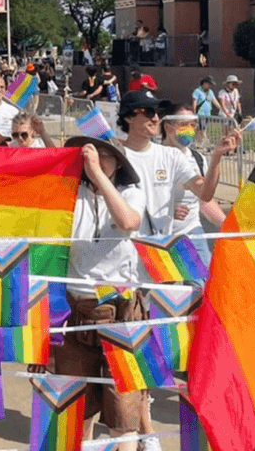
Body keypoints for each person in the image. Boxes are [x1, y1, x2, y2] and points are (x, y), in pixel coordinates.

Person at [55, 136, 146, 451]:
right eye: (92, 154)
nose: (98, 159)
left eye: (107, 155)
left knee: (124, 412)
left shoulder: (131, 192)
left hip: (121, 315)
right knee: (77, 409)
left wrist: (98, 177)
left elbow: (127, 221)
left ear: (118, 162)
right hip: (78, 315)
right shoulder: (69, 194)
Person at [153, 102, 234, 263]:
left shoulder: (198, 159)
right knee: (162, 286)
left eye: (193, 125)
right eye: (184, 125)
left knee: (199, 282)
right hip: (159, 237)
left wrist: (228, 226)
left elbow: (205, 200)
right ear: (168, 127)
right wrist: (168, 210)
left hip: (191, 233)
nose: (190, 129)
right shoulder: (153, 157)